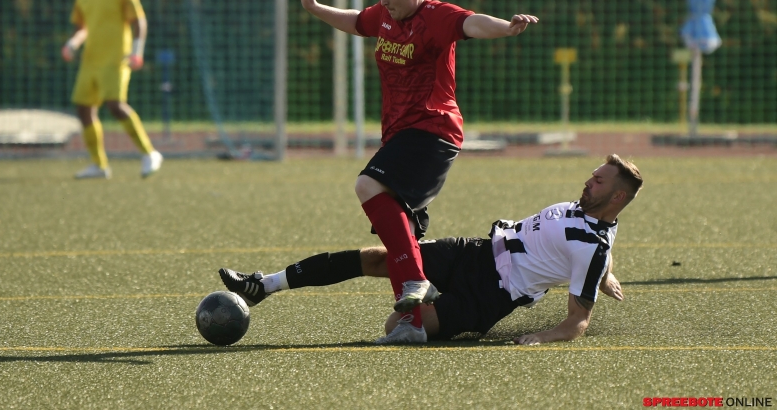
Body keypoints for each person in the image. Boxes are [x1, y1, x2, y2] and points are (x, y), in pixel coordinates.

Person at [272, 0, 538, 342]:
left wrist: (507, 27)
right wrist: (314, 8)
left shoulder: (435, 15)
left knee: (367, 186)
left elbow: (472, 23)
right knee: (400, 235)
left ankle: (416, 281)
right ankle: (413, 322)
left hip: (433, 131)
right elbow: (355, 20)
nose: (383, 1)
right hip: (400, 137)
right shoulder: (384, 15)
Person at [220, 154, 643, 344]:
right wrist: (605, 274)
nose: (589, 181)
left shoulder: (594, 247)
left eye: (600, 181)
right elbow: (602, 245)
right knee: (381, 258)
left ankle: (435, 302)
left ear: (617, 197)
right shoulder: (590, 219)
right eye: (593, 175)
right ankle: (265, 285)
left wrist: (542, 336)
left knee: (397, 327)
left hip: (489, 296)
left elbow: (578, 321)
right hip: (474, 251)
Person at [61, 0, 162, 180]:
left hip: (117, 57)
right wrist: (72, 44)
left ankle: (150, 153)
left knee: (115, 105)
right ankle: (99, 165)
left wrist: (137, 51)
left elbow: (139, 21)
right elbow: (82, 28)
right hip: (90, 60)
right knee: (84, 109)